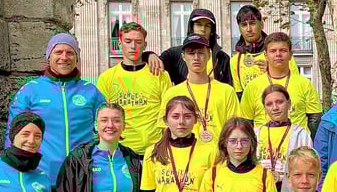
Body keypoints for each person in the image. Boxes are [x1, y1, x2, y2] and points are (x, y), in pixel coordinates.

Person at [7, 33, 105, 178]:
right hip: (41, 173)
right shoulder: (30, 90)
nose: (64, 57)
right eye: (58, 52)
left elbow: (107, 131)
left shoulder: (91, 91)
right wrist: (13, 169)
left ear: (76, 57)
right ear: (49, 56)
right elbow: (12, 132)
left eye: (70, 53)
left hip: (82, 174)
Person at [96, 22, 173, 156]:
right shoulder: (106, 78)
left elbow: (168, 113)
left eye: (138, 41)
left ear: (145, 45)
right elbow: (100, 117)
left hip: (154, 151)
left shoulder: (160, 75)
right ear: (119, 43)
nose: (133, 46)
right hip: (120, 151)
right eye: (128, 41)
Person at [160, 34, 240, 151]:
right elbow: (165, 131)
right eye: (191, 53)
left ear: (209, 55)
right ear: (183, 56)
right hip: (185, 159)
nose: (196, 57)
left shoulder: (226, 91)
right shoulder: (172, 94)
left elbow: (235, 129)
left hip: (218, 158)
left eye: (201, 53)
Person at [241, 32, 322, 135]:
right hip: (264, 146)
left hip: (297, 146)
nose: (278, 54)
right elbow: (246, 122)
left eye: (283, 50)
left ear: (290, 55)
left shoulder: (305, 84)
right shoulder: (252, 86)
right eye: (273, 51)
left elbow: (314, 119)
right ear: (266, 55)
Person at [256, 84, 314, 192]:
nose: (275, 107)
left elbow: (307, 167)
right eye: (269, 104)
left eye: (279, 102)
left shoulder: (300, 134)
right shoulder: (256, 133)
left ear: (289, 103)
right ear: (264, 108)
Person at [230, 5, 299, 100]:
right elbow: (239, 96)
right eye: (244, 25)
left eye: (253, 23)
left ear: (262, 24)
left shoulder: (280, 55)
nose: (249, 29)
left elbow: (296, 86)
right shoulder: (235, 61)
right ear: (239, 28)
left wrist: (275, 70)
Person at [152, 9, 234, 86]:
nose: (203, 29)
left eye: (207, 26)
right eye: (199, 25)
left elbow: (228, 87)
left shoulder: (223, 58)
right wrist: (149, 55)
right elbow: (150, 65)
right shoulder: (175, 54)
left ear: (212, 31)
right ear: (192, 27)